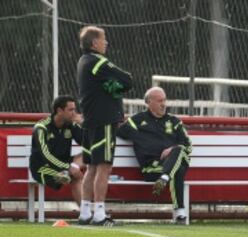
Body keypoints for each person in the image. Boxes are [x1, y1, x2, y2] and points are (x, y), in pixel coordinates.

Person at [77, 26, 132, 226]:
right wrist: (116, 86)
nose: (106, 43)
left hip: (90, 121)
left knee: (91, 167)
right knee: (104, 167)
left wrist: (111, 86)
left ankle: (85, 213)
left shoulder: (83, 61)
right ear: (94, 43)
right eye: (103, 39)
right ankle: (99, 214)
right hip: (103, 121)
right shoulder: (98, 61)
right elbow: (127, 79)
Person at [117, 87, 192, 224]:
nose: (163, 104)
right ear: (149, 102)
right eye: (159, 101)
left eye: (164, 100)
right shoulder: (137, 121)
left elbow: (188, 147)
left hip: (170, 164)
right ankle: (180, 214)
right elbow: (119, 131)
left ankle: (164, 178)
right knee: (178, 170)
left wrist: (172, 149)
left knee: (179, 149)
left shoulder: (174, 122)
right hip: (151, 168)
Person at [29, 95, 84, 205]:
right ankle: (85, 213)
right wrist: (68, 167)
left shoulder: (71, 124)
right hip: (43, 168)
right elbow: (46, 155)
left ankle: (85, 214)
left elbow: (87, 144)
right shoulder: (41, 128)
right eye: (71, 110)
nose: (74, 113)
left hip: (64, 165)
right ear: (59, 110)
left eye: (75, 109)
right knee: (74, 177)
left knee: (88, 153)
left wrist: (83, 125)